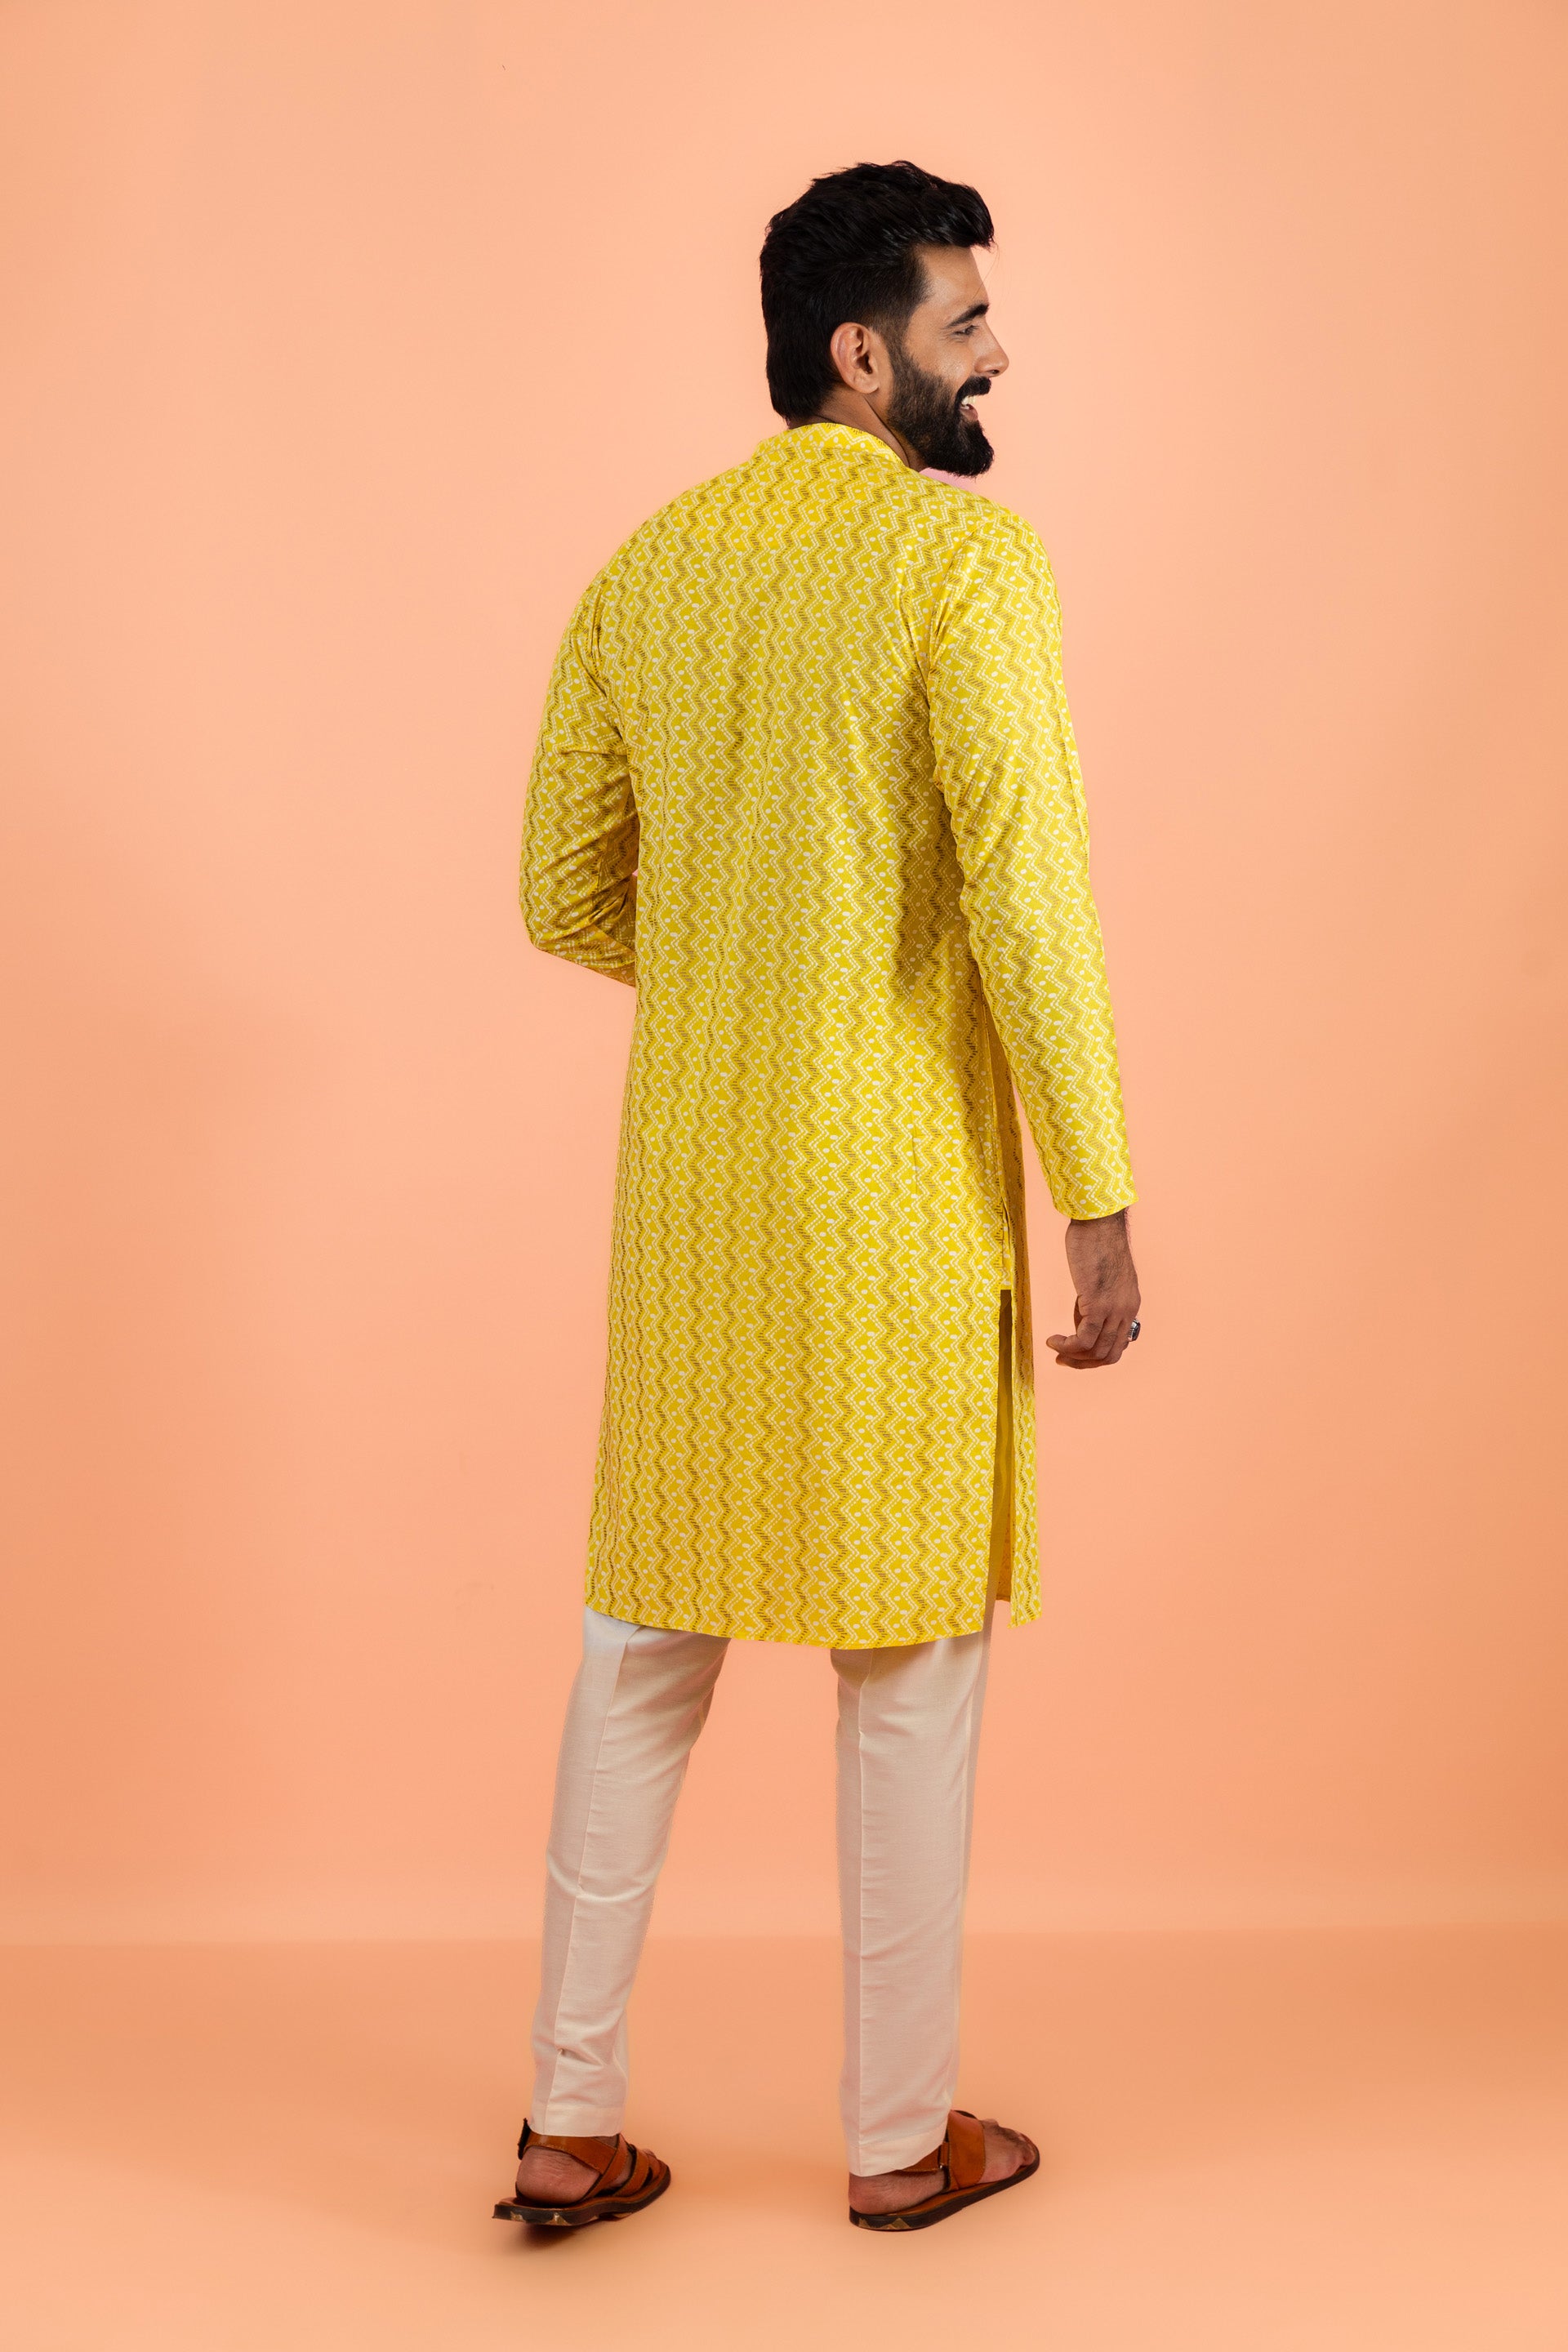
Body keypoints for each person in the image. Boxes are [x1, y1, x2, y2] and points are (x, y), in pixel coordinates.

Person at [495, 158, 1140, 2236]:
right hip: (894, 1196)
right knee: (907, 1671)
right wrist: (1098, 1193)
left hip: (691, 1195)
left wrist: (735, 967)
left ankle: (567, 2121)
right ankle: (893, 2139)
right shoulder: (968, 564)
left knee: (638, 1650)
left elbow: (559, 890)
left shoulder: (652, 565)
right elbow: (1029, 895)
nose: (996, 353)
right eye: (968, 321)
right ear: (865, 354)